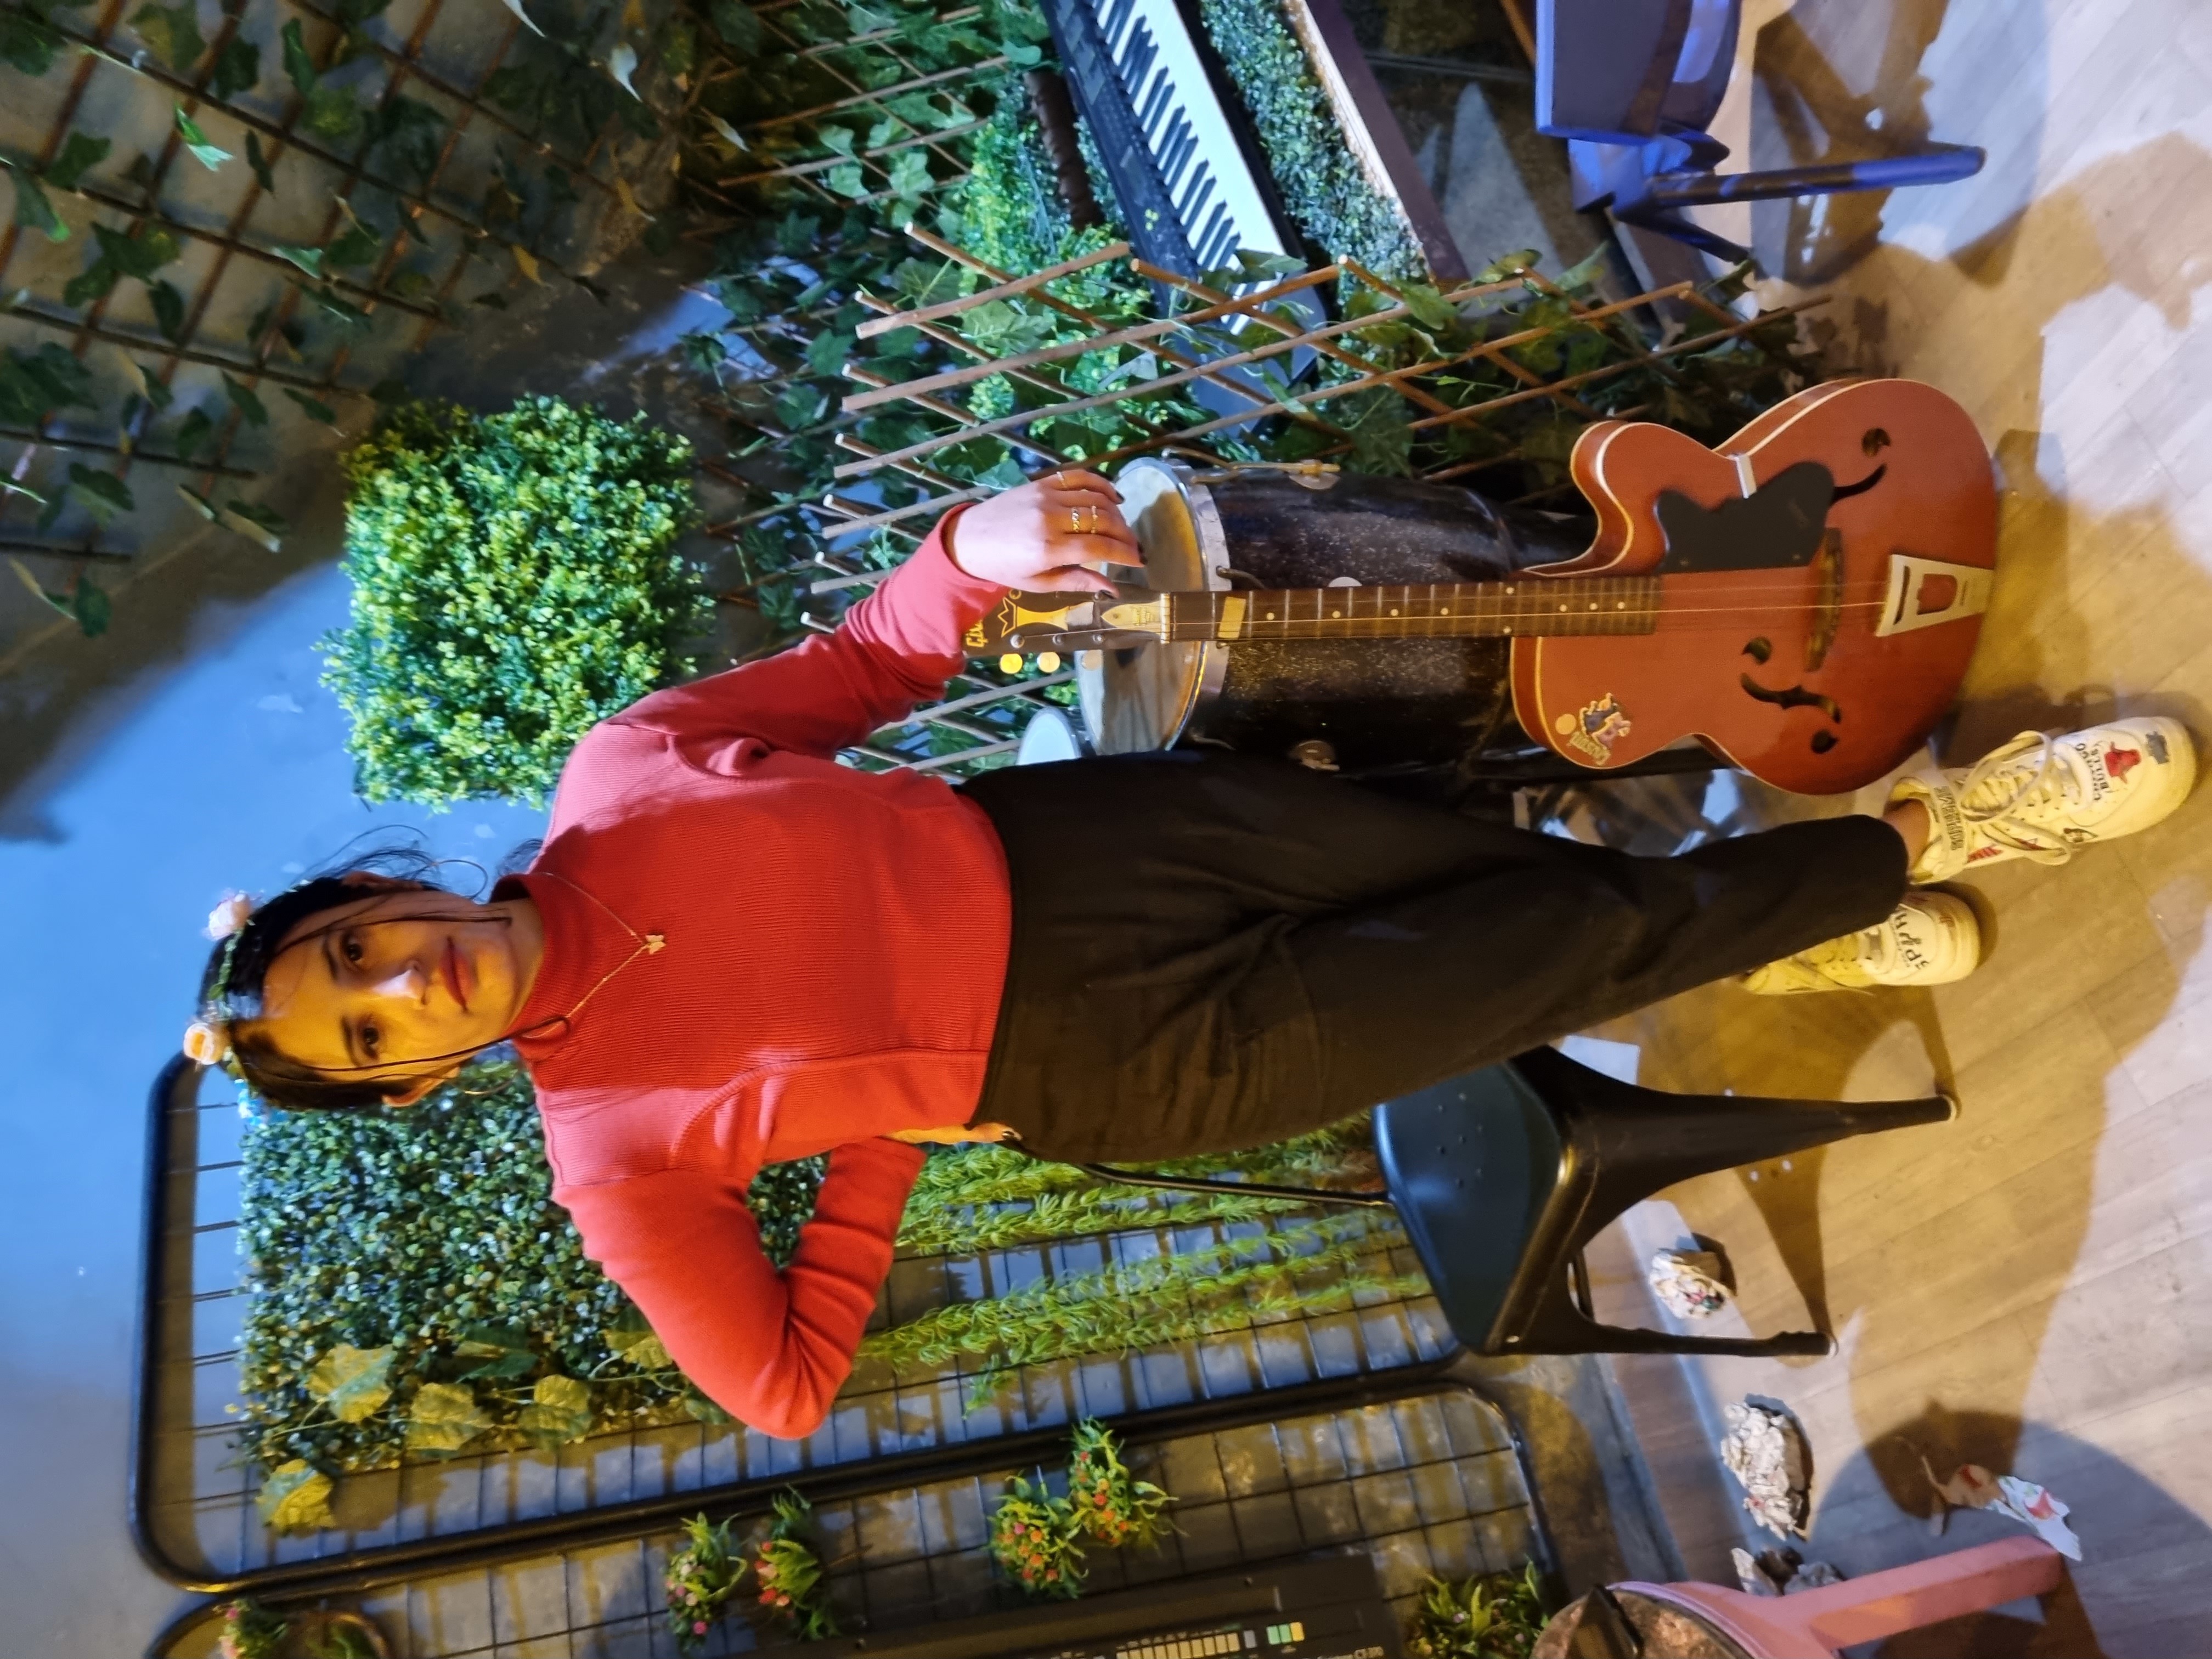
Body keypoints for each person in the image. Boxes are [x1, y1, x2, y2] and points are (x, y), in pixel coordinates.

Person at [180, 470, 2196, 1438]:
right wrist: (885, 1129)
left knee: (1508, 865)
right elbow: (780, 1387)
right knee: (1559, 948)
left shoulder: (623, 773)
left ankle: (1816, 921)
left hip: (1099, 838)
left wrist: (965, 554)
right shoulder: (609, 1159)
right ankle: (1952, 826)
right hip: (1131, 1064)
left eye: (358, 949)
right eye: (367, 1032)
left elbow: (869, 665)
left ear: (375, 896)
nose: (401, 983)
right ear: (407, 1084)